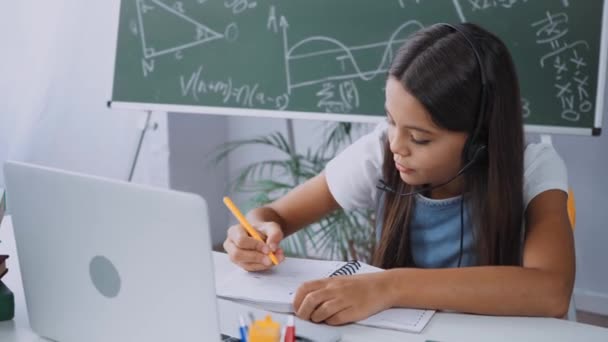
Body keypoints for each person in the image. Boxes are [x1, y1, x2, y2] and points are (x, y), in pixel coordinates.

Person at [222, 23, 574, 325]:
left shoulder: (532, 167)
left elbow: (551, 290)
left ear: (479, 138)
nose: (396, 145)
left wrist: (390, 286)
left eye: (420, 138)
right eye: (391, 120)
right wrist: (255, 233)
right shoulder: (381, 151)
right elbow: (276, 215)